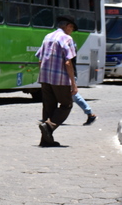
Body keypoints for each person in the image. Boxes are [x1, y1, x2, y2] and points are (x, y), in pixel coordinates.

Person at [36, 14, 79, 147]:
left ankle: (45, 141)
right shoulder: (66, 38)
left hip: (45, 78)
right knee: (66, 105)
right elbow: (68, 62)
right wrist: (73, 83)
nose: (71, 31)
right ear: (68, 26)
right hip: (60, 79)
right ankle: (49, 126)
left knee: (48, 108)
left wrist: (43, 74)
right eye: (71, 28)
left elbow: (40, 59)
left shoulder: (48, 37)